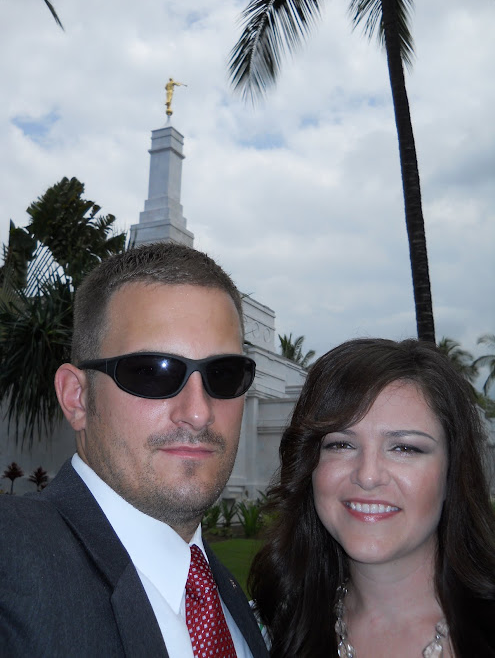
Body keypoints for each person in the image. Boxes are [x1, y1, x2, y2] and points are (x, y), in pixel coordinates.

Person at [0, 242, 269, 658]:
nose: (198, 414)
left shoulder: (232, 602)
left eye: (224, 374)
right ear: (77, 398)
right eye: (152, 372)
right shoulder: (14, 558)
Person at [248, 338, 495, 657]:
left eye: (405, 448)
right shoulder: (264, 632)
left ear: (452, 473)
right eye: (341, 444)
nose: (367, 475)